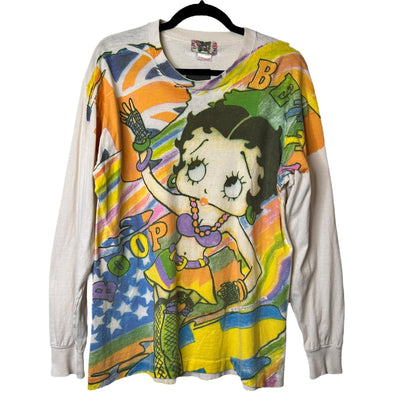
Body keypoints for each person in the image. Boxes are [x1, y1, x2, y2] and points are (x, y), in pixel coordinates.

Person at [121, 98, 282, 379]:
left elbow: (255, 267)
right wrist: (142, 146)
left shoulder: (229, 221)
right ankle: (163, 360)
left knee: (178, 317)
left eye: (233, 183)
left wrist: (241, 288)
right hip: (170, 266)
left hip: (199, 277)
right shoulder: (186, 203)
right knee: (163, 318)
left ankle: (174, 351)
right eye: (196, 167)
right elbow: (154, 188)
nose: (208, 188)